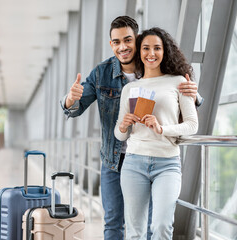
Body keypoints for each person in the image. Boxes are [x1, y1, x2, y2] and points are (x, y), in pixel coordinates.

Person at [61, 16, 202, 240]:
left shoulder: (155, 63)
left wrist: (195, 94)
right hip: (114, 159)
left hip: (158, 155)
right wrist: (70, 100)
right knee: (114, 222)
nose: (123, 47)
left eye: (128, 40)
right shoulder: (102, 73)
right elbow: (76, 107)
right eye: (116, 42)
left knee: (153, 225)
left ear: (137, 39)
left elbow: (184, 96)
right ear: (111, 44)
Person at [114, 27, 199, 239]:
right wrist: (123, 126)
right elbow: (119, 135)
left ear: (165, 51)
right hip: (134, 163)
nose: (151, 53)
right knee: (135, 232)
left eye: (157, 48)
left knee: (161, 226)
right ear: (139, 52)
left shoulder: (179, 81)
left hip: (167, 163)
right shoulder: (129, 89)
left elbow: (191, 125)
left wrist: (162, 129)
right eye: (146, 48)